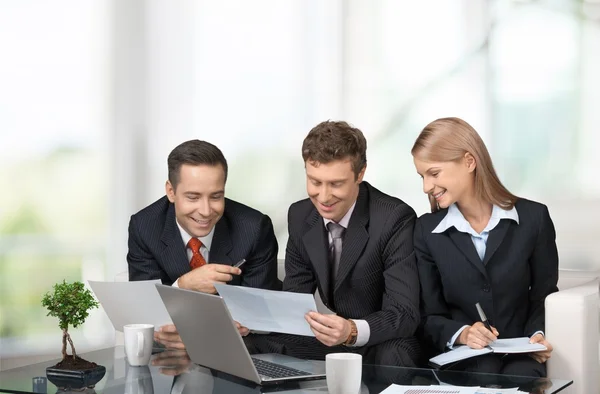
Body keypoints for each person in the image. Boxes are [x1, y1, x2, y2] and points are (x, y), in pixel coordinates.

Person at [250, 120, 421, 366]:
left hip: (382, 339)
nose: (324, 196)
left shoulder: (394, 218)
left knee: (395, 357)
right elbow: (295, 299)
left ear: (360, 174)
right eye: (315, 182)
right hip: (333, 338)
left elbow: (404, 314)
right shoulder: (300, 216)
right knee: (253, 345)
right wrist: (253, 322)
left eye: (336, 184)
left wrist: (351, 330)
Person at [411, 117, 558, 377]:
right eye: (422, 176)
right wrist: (463, 333)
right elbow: (428, 314)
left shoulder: (534, 219)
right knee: (483, 371)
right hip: (463, 358)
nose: (426, 186)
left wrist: (537, 334)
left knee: (523, 377)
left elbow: (544, 295)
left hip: (522, 354)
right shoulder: (426, 231)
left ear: (469, 161)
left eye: (434, 173)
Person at [127, 139, 280, 347]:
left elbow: (259, 313)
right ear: (171, 192)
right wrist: (184, 285)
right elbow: (145, 310)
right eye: (193, 197)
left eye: (216, 196)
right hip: (166, 354)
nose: (206, 211)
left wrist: (199, 333)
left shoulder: (254, 228)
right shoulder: (145, 226)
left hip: (237, 351)